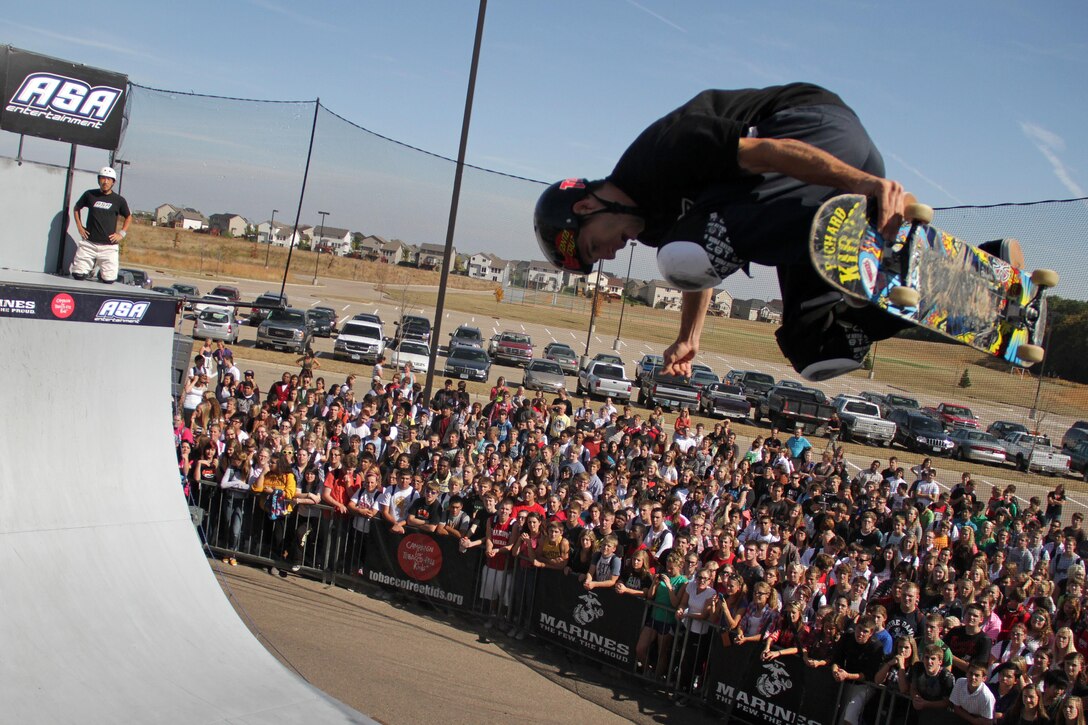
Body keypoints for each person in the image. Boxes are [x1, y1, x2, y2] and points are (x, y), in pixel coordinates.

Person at [533, 83, 918, 381]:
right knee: (817, 353)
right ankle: (911, 285)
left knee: (679, 252)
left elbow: (768, 151)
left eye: (593, 245)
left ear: (586, 207)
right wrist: (689, 336)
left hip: (819, 132)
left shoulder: (662, 152)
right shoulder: (650, 228)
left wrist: (863, 184)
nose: (609, 255)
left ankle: (860, 252)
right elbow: (699, 269)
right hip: (819, 195)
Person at [70, 166, 132, 284]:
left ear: (113, 182)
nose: (105, 181)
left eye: (109, 179)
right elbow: (76, 208)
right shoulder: (89, 195)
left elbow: (128, 216)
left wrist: (122, 233)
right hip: (89, 243)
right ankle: (88, 269)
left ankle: (101, 274)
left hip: (109, 247)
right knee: (78, 275)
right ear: (99, 180)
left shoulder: (119, 200)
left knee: (108, 280)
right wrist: (79, 226)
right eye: (103, 178)